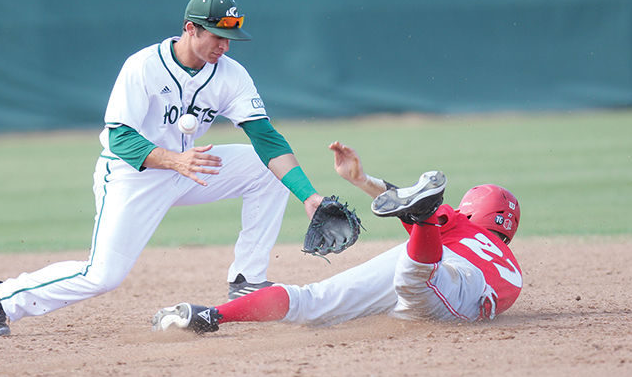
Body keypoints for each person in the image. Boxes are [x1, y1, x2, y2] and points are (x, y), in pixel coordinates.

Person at [0, 0, 331, 337]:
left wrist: (308, 195)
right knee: (103, 275)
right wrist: (175, 160)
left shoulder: (230, 74)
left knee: (264, 168)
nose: (224, 46)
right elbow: (119, 137)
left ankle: (247, 280)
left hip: (190, 165)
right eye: (218, 36)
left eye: (230, 39)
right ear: (191, 28)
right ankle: (3, 299)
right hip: (133, 175)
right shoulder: (143, 66)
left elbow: (266, 138)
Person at [151, 141, 523, 333]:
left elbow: (397, 198)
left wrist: (361, 180)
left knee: (313, 301)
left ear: (471, 210)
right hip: (456, 291)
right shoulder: (513, 270)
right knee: (417, 283)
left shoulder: (461, 224)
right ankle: (421, 217)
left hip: (434, 265)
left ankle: (209, 316)